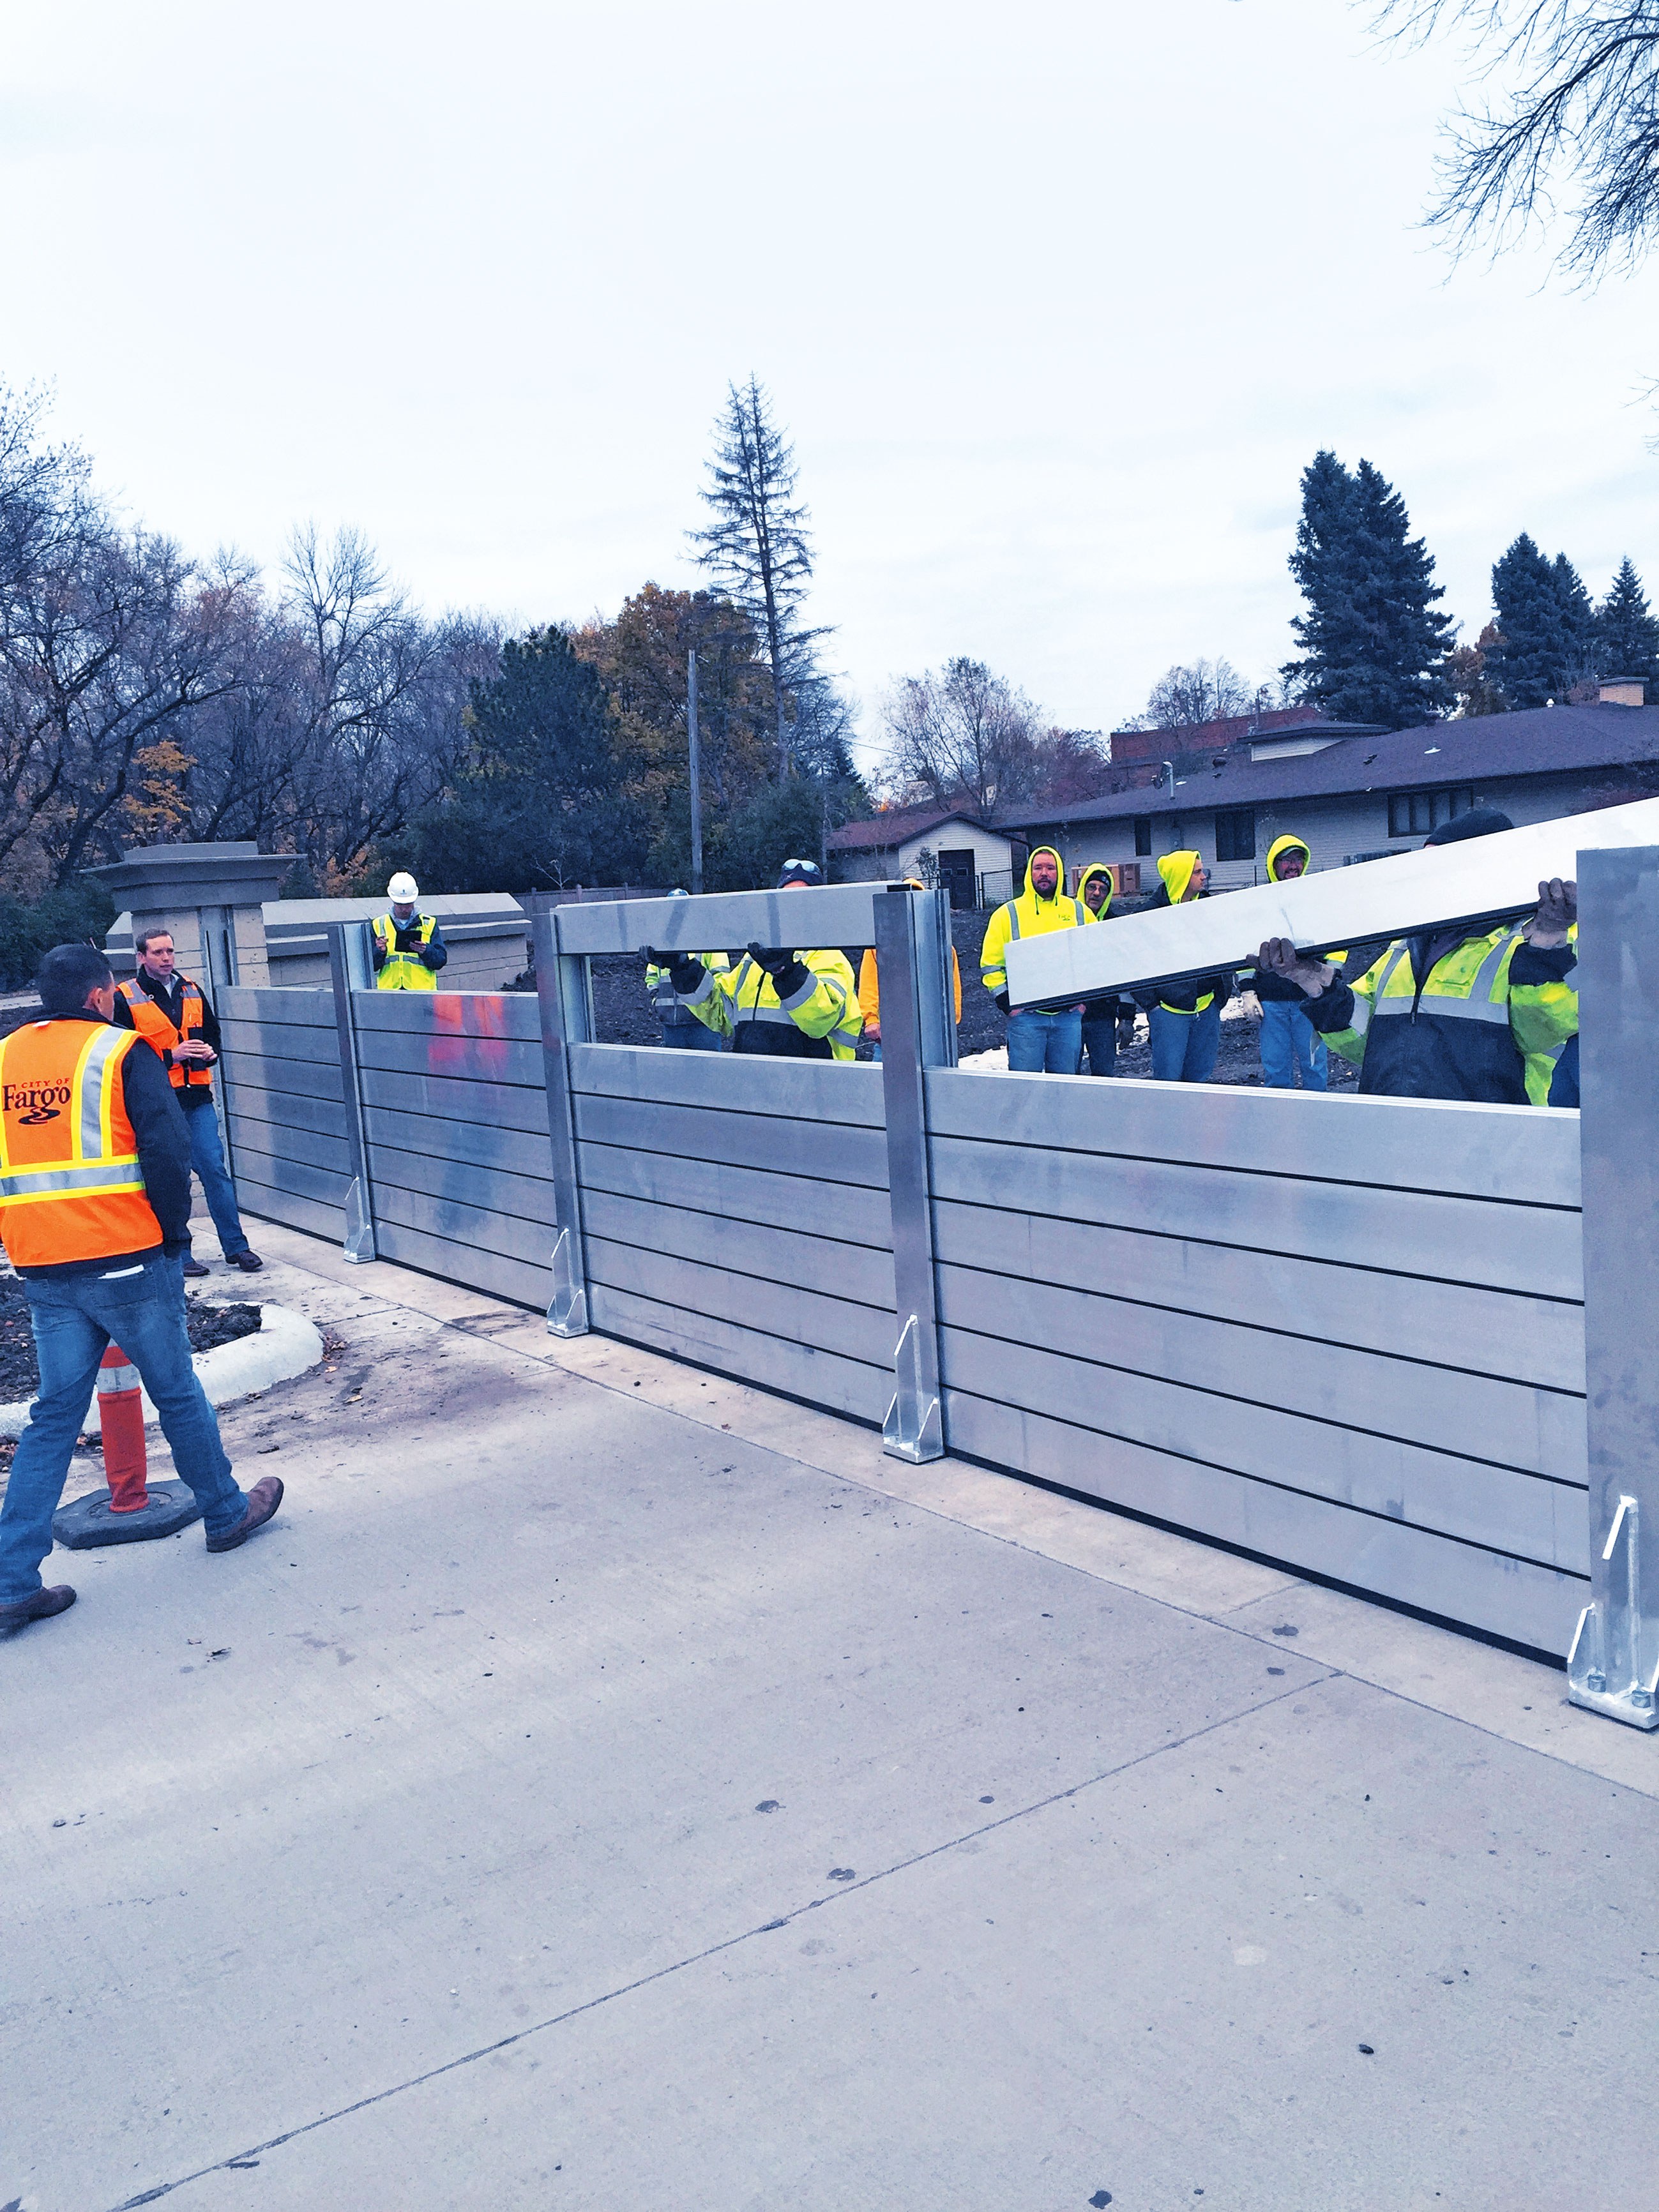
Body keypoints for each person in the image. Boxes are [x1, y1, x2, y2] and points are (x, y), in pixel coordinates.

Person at [0, 944, 283, 1637]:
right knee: (176, 1391)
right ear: (99, 995)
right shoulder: (121, 1052)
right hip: (125, 1257)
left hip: (42, 1266)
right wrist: (172, 1238)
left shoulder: (4, 1057)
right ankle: (224, 1514)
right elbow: (166, 1153)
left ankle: (10, 1583)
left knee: (54, 1419)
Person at [1255, 809, 1579, 1102]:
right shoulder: (1406, 946)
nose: (1423, 879)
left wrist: (1547, 943)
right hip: (1395, 1135)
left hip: (1490, 1146)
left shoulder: (1530, 942)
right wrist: (1310, 977)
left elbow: (1542, 1031)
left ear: (1482, 870)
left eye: (1436, 867)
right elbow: (1364, 1041)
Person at [114, 928, 262, 1277]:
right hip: (158, 1105)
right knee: (173, 1178)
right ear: (141, 958)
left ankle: (237, 1247)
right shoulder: (125, 997)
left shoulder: (192, 990)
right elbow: (121, 1056)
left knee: (214, 1170)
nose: (166, 958)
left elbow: (213, 1036)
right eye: (158, 953)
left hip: (196, 1098)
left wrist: (209, 1054)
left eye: (170, 951)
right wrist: (171, 1055)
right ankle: (179, 1254)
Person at [648, 859, 861, 1058]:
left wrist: (786, 972)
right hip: (754, 1086)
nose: (793, 907)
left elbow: (820, 1022)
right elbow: (721, 1013)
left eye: (802, 899)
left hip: (812, 1090)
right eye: (786, 899)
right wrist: (683, 969)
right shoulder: (754, 962)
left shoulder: (831, 958)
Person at [979, 845, 1087, 1074]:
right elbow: (991, 965)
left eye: (1050, 867)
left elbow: (1096, 958)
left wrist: (1084, 1003)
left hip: (1068, 1019)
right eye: (1038, 868)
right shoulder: (1007, 914)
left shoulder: (1079, 911)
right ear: (1030, 873)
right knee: (1025, 1093)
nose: (1044, 873)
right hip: (1026, 1020)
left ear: (1059, 873)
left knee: (1065, 1091)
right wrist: (1008, 1006)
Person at [1135, 852, 1234, 1083]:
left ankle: (1196, 1121)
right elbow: (1134, 963)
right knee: (1168, 1081)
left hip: (1207, 1007)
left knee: (1199, 1079)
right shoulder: (1149, 915)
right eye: (1197, 872)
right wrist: (1152, 1005)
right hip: (1169, 1013)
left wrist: (1220, 996)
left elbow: (1226, 949)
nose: (1204, 877)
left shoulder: (1210, 908)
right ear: (1181, 877)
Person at [1247, 836, 1328, 1093]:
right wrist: (1248, 990)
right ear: (1274, 864)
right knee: (1276, 1071)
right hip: (1271, 1002)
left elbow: (1337, 944)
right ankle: (1280, 1123)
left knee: (1315, 1066)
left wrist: (1329, 980)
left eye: (1298, 859)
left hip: (1310, 998)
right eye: (1287, 860)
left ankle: (1317, 1120)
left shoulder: (1316, 900)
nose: (1293, 866)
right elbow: (1245, 947)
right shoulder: (1259, 904)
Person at [856, 877, 962, 1062]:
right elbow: (869, 984)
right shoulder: (877, 947)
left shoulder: (943, 947)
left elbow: (952, 989)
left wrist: (951, 1023)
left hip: (933, 1038)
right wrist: (871, 1019)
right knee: (885, 1089)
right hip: (889, 1037)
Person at [1073, 864, 1138, 1077]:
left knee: (1104, 1077)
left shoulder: (1115, 927)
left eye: (1103, 889)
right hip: (1069, 1016)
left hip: (1103, 1017)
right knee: (1066, 1077)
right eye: (1091, 887)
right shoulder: (1065, 920)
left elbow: (1125, 975)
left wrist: (1127, 1018)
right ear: (1082, 888)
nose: (1096, 893)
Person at [645, 891, 728, 1051]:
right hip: (672, 1025)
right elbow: (652, 976)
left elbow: (722, 981)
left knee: (707, 1073)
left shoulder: (708, 941)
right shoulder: (662, 945)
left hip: (704, 1024)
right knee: (678, 1075)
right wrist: (658, 1001)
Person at [371, 873, 448, 989]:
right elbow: (370, 966)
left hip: (422, 994)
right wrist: (380, 951)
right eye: (400, 905)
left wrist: (426, 951)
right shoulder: (378, 924)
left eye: (408, 904)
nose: (404, 909)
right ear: (392, 900)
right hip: (390, 994)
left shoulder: (429, 923)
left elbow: (440, 961)